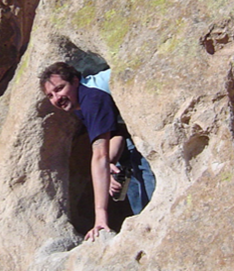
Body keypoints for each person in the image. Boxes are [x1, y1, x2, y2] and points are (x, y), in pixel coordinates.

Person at [40, 62, 155, 241]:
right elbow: (117, 134)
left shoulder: (92, 98)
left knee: (152, 204)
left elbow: (99, 154)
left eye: (60, 88)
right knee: (128, 180)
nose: (57, 98)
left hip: (153, 122)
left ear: (75, 81)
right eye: (50, 95)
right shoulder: (79, 101)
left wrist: (100, 216)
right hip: (136, 133)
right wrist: (109, 164)